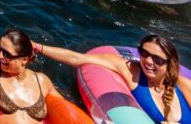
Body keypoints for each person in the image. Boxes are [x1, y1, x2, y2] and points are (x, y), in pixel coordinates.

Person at [36, 34, 191, 124]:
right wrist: (37, 47)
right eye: (144, 53)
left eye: (157, 59)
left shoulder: (183, 85)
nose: (149, 61)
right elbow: (77, 59)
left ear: (170, 63)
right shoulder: (132, 71)